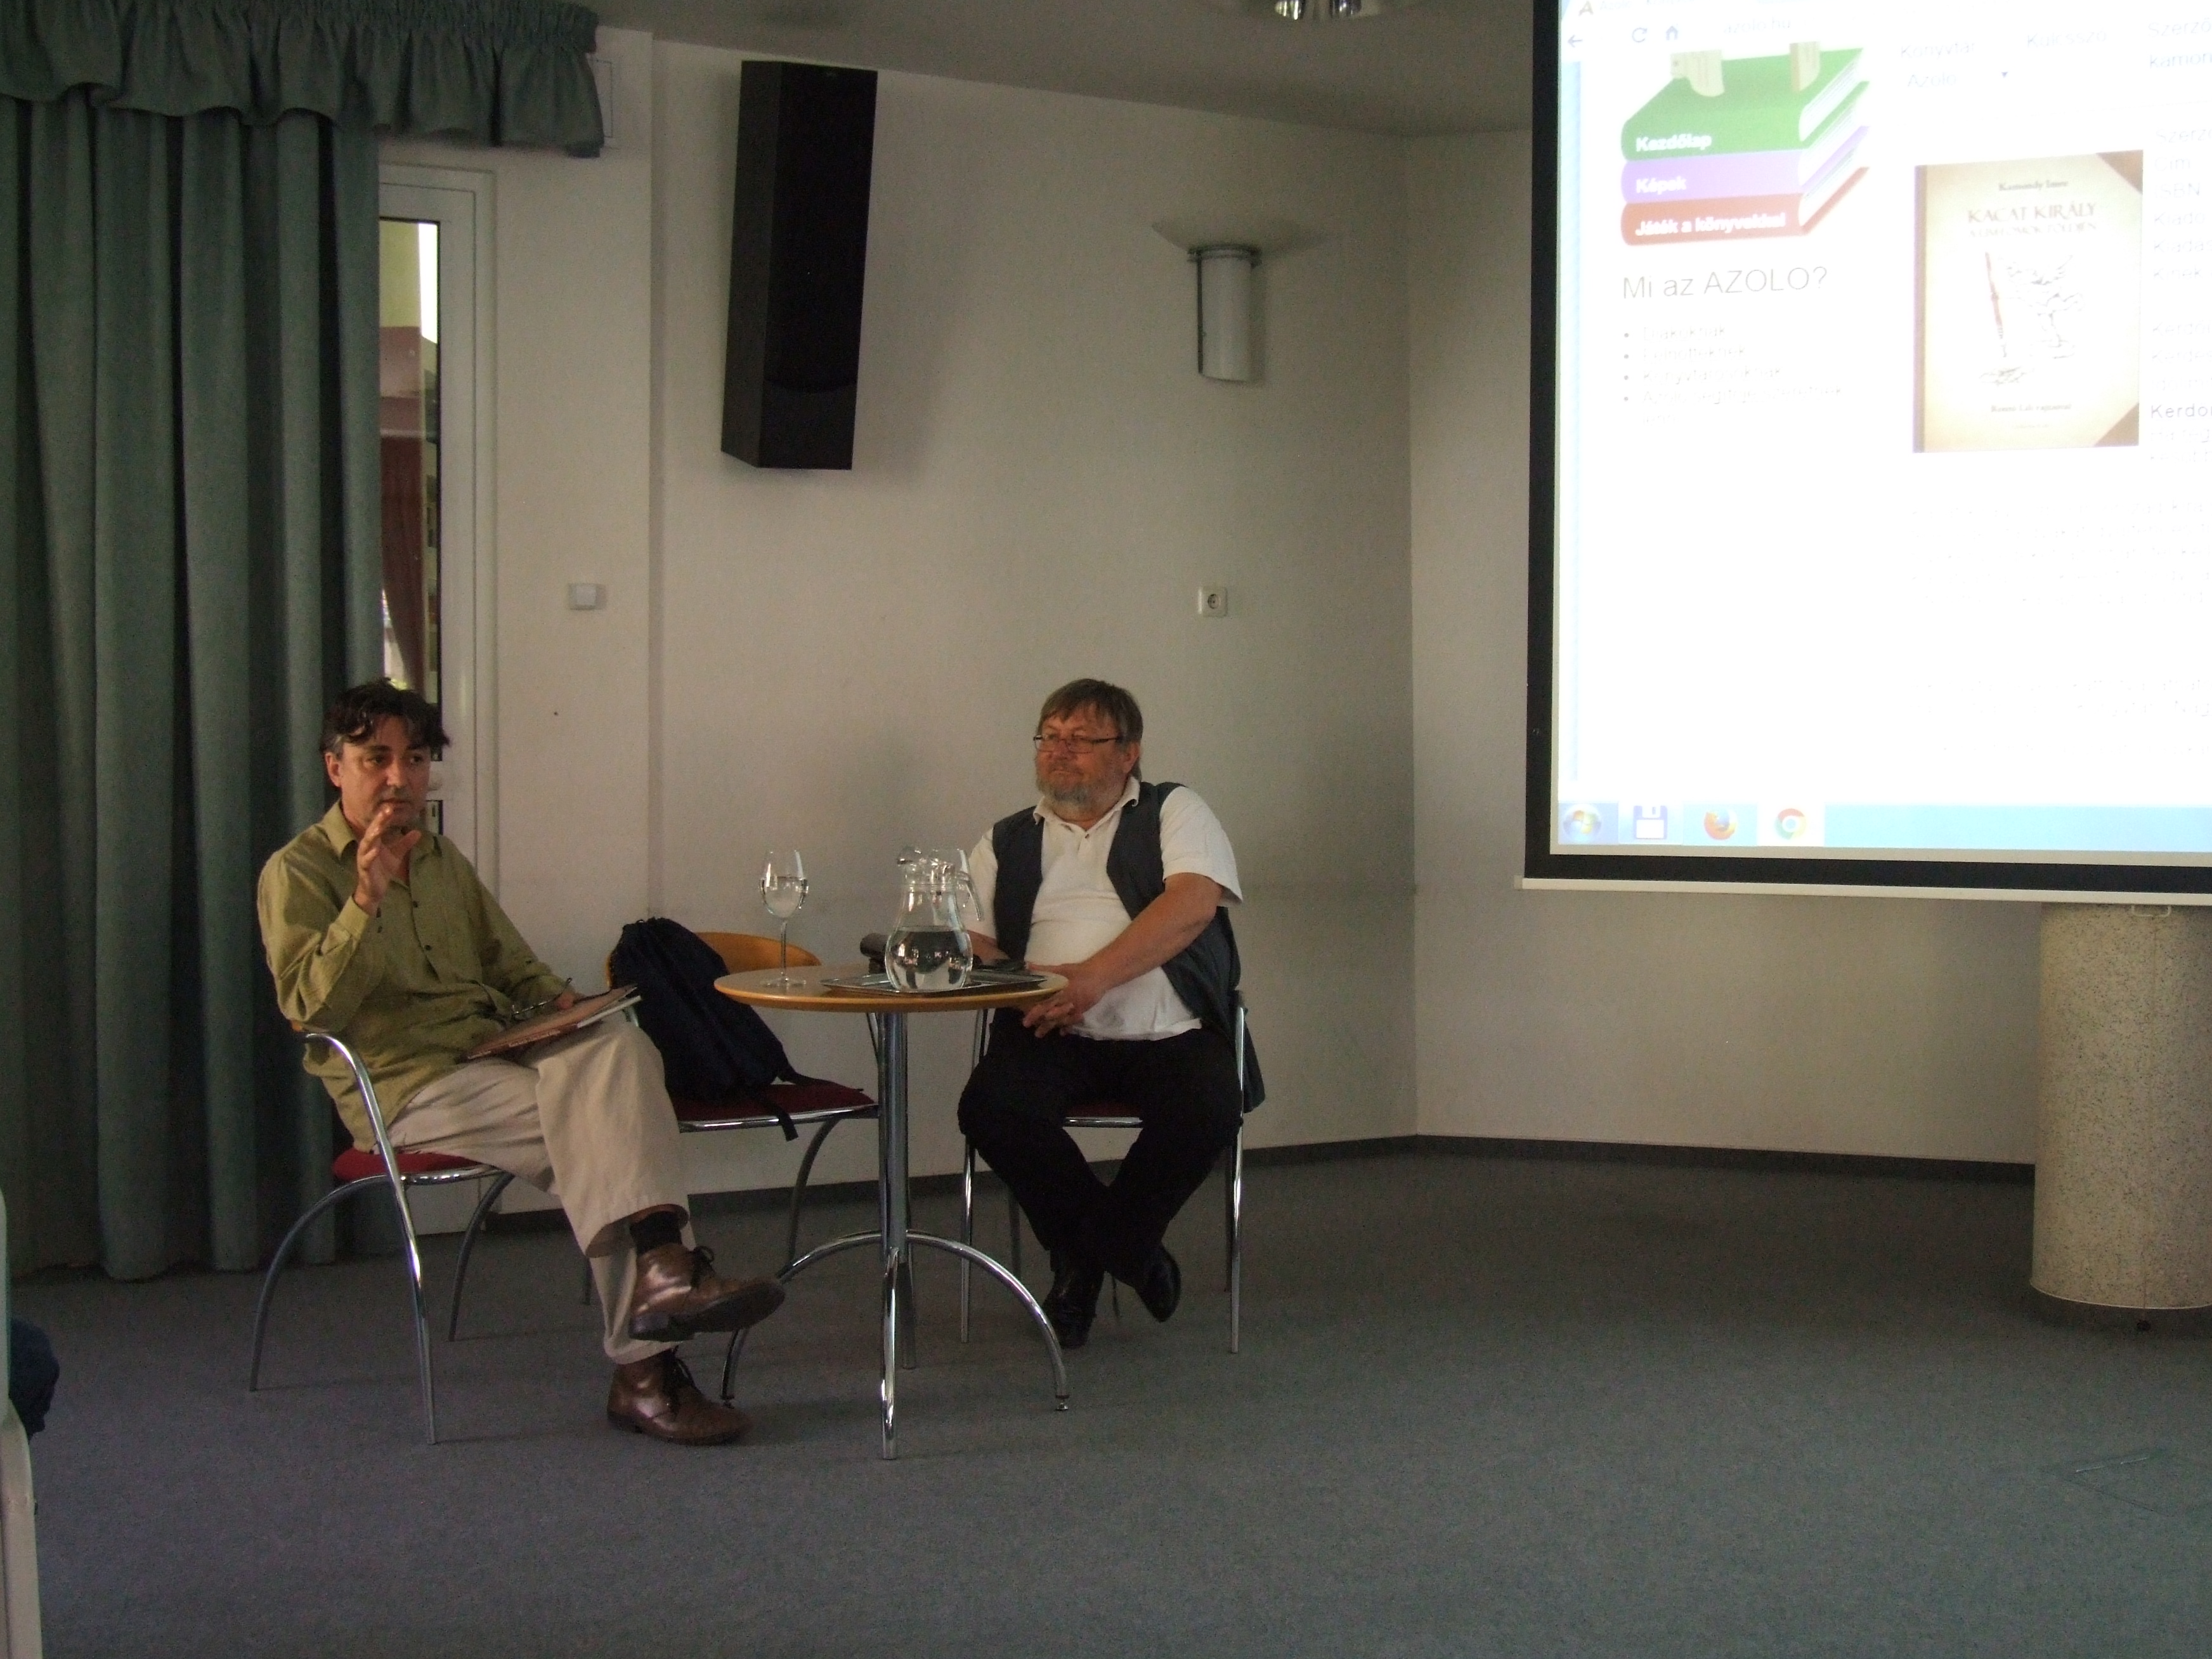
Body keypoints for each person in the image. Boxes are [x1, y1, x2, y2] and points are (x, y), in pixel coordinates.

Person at [257, 680, 781, 1445]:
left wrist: (569, 1009)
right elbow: (312, 1012)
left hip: (494, 1054)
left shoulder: (441, 859)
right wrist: (364, 901)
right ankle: (653, 1340)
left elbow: (512, 967)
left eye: (415, 759)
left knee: (620, 1048)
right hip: (404, 1084)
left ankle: (661, 1292)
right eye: (377, 759)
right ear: (336, 767)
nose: (400, 778)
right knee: (605, 1135)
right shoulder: (298, 873)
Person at [957, 679, 1260, 1350]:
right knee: (991, 1109)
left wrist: (1091, 979)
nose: (1059, 750)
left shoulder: (1173, 810)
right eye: (1049, 737)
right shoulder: (1005, 839)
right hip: (1048, 1028)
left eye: (1081, 738)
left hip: (1171, 1033)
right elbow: (970, 943)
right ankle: (1131, 1252)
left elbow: (1192, 904)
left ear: (1128, 753)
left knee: (1210, 1107)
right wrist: (1034, 992)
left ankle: (1089, 1258)